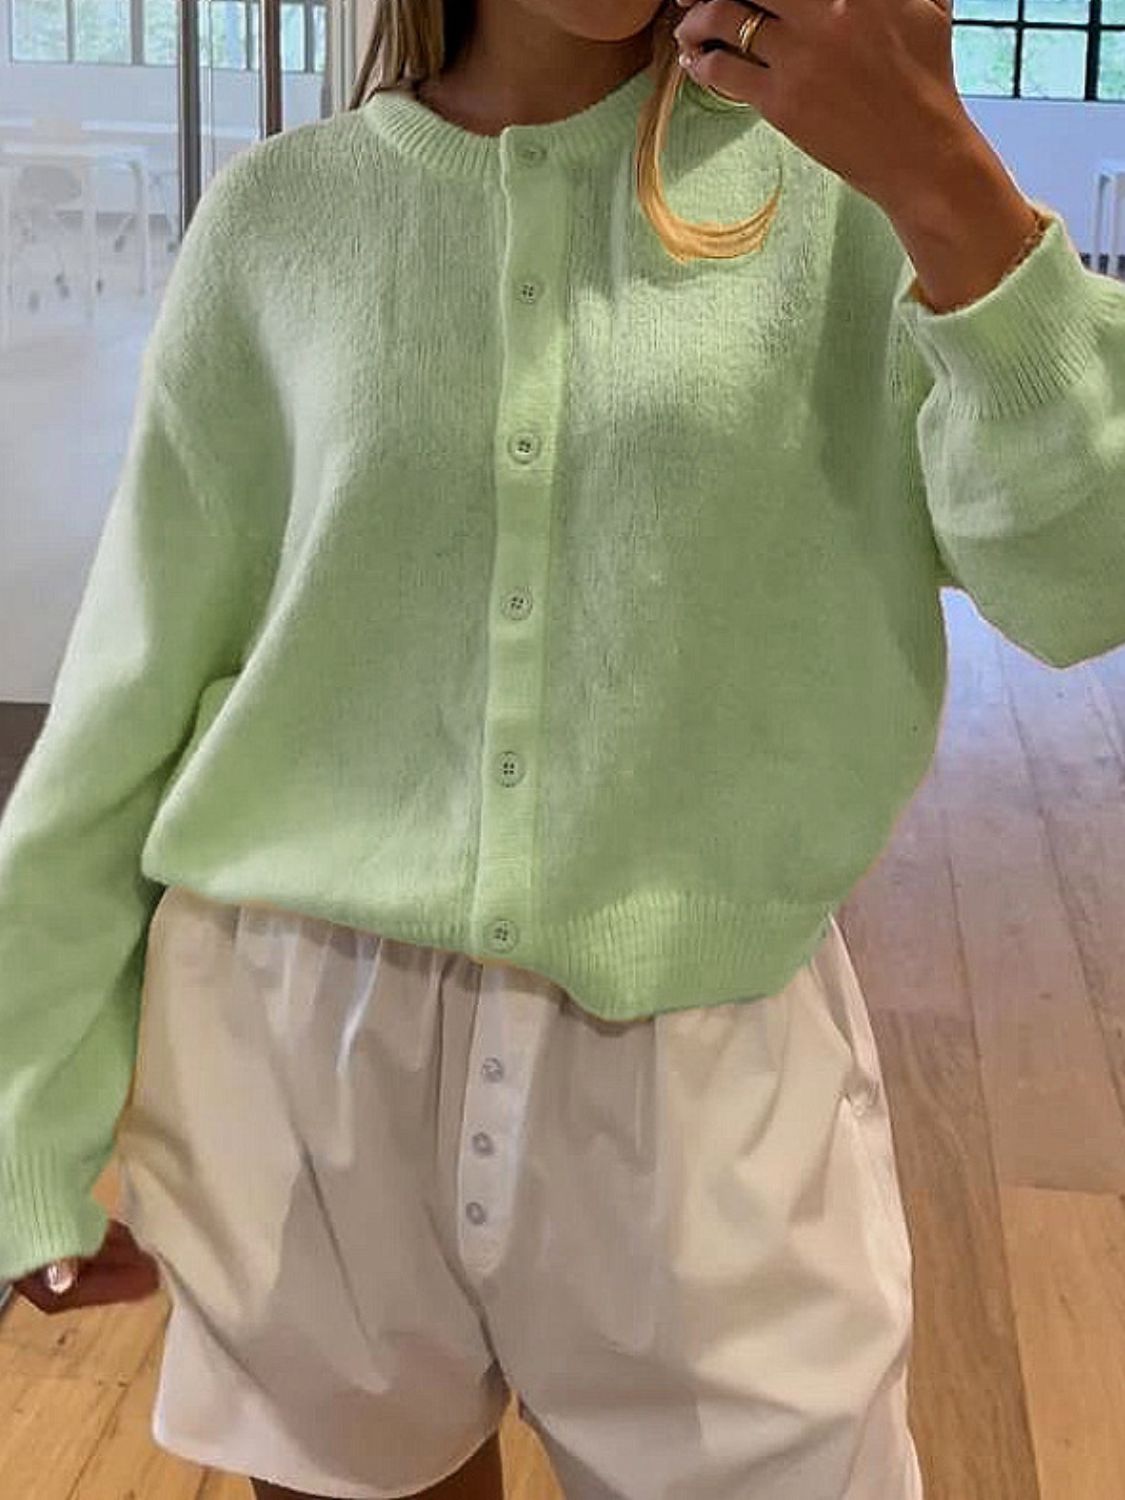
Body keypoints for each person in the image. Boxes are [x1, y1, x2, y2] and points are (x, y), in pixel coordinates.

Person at [4, 0, 1125, 1497]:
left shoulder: (852, 207)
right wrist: (21, 1108)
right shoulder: (280, 221)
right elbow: (128, 694)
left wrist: (944, 184)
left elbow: (1085, 585)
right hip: (297, 1062)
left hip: (705, 1068)